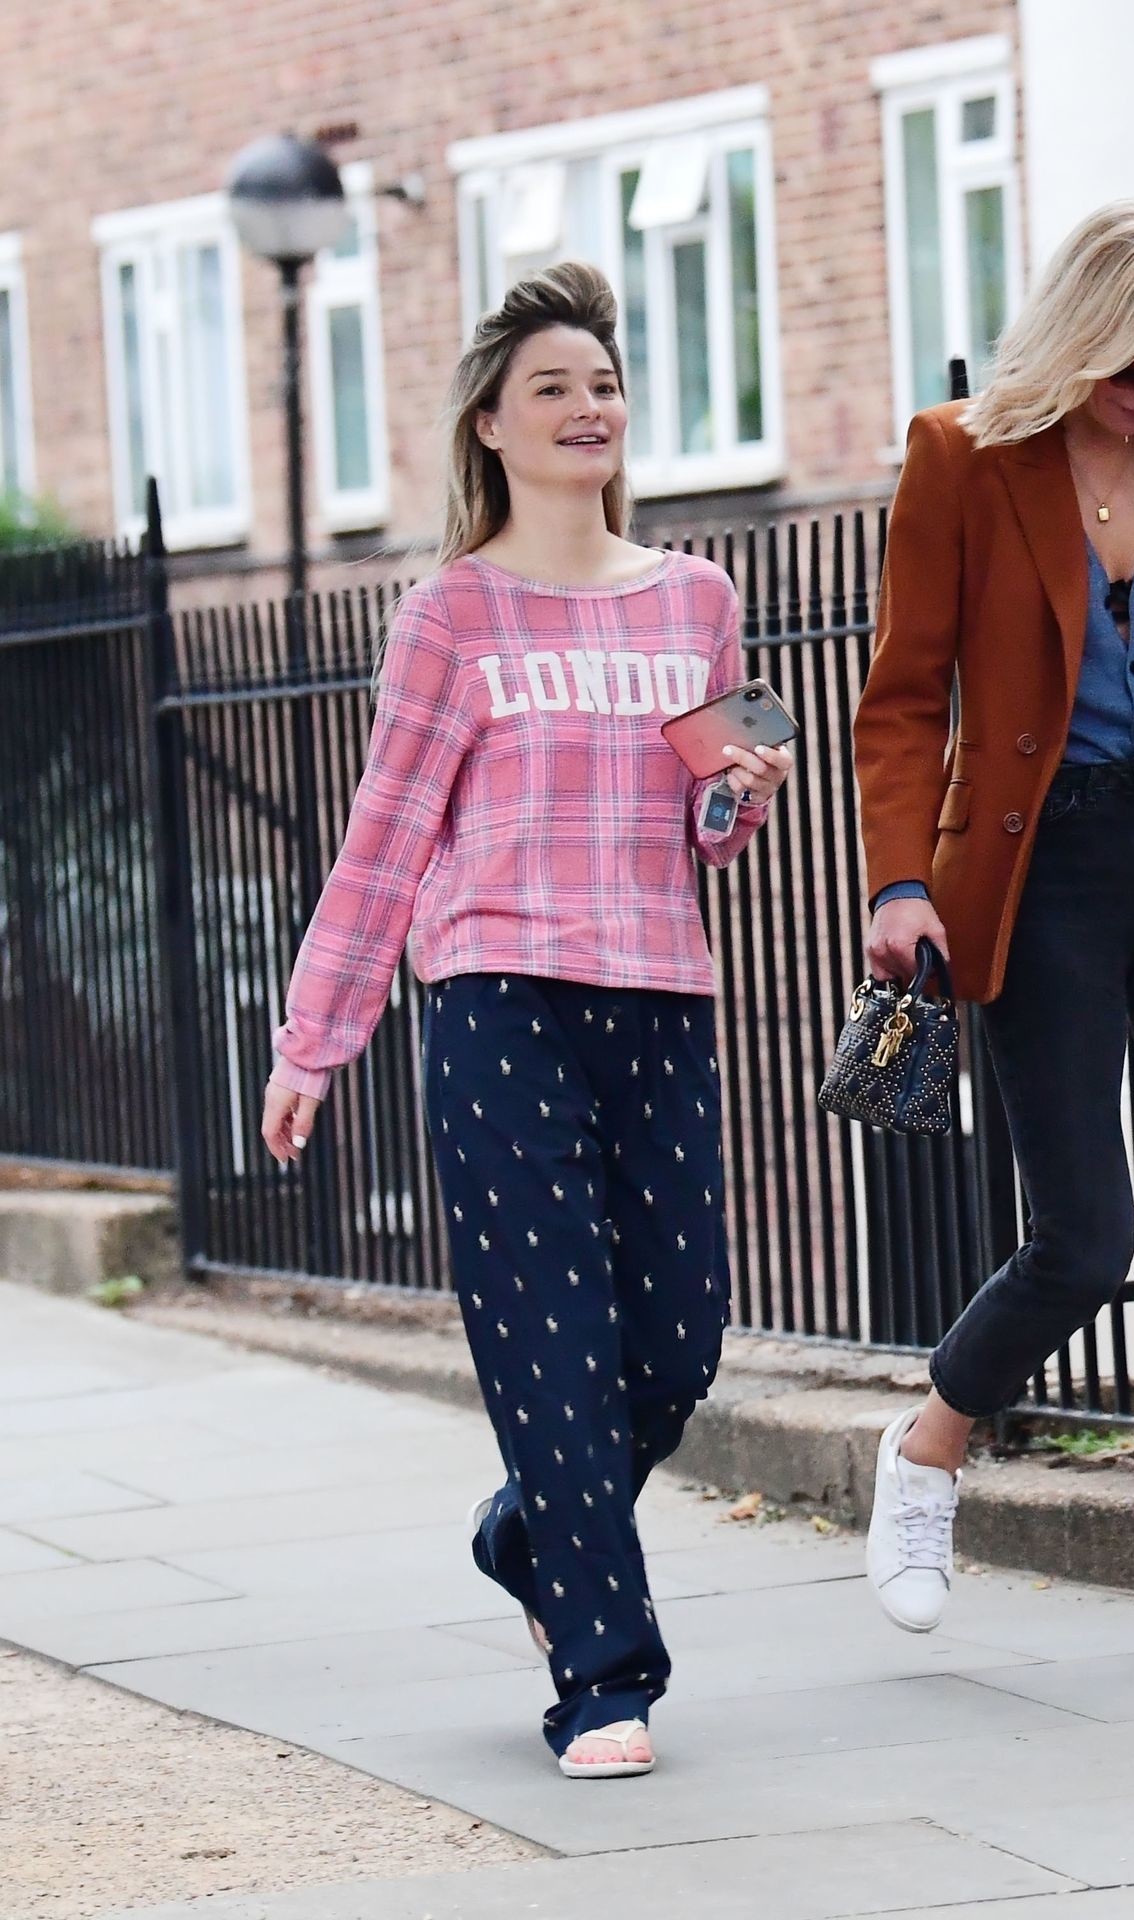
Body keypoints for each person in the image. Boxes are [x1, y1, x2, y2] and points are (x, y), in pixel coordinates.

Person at [258, 262, 793, 1776]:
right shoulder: (451, 614)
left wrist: (739, 795)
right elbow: (386, 836)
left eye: (604, 385)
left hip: (660, 997)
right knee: (552, 1335)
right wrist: (315, 1038)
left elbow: (706, 829)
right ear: (490, 425)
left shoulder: (697, 600)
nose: (586, 408)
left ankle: (532, 1527)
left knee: (676, 1339)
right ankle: (604, 1676)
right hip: (497, 1000)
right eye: (551, 388)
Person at [853, 193, 1134, 1681]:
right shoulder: (961, 456)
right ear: (1078, 334)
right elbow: (902, 697)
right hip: (1038, 868)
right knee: (1084, 1239)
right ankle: (930, 1446)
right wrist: (897, 882)